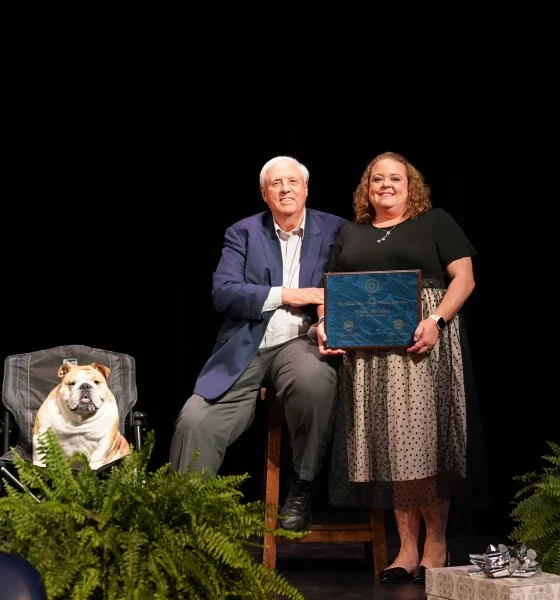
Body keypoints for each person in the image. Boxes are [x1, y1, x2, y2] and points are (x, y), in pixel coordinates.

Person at [315, 151, 478, 583]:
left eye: (395, 178)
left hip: (420, 343)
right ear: (366, 188)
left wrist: (437, 321)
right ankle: (406, 548)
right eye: (377, 179)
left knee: (422, 443)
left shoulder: (435, 222)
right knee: (389, 448)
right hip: (368, 354)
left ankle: (436, 543)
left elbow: (464, 278)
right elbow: (335, 290)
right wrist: (325, 325)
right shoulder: (352, 233)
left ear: (411, 186)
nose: (386, 185)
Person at [169, 155, 350, 532]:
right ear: (264, 194)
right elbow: (225, 293)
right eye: (275, 184)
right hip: (248, 344)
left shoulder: (337, 230)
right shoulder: (243, 233)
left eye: (292, 182)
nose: (285, 189)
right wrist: (290, 295)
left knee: (314, 382)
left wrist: (326, 320)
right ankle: (183, 518)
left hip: (304, 341)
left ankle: (302, 487)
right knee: (195, 419)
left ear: (305, 189)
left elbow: (347, 288)